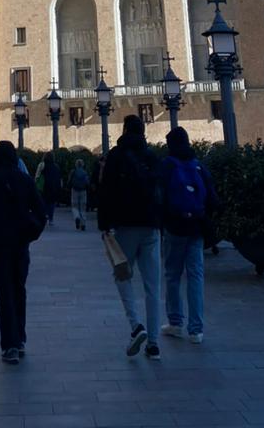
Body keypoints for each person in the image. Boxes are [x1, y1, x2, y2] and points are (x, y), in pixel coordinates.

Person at [0, 139, 46, 364]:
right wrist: (30, 235)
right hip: (20, 245)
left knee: (4, 294)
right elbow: (40, 212)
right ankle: (20, 338)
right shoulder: (24, 180)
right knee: (19, 290)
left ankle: (10, 345)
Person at [98, 114, 164, 361]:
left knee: (122, 275)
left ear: (125, 130)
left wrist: (104, 224)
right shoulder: (152, 156)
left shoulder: (116, 156)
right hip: (151, 226)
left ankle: (136, 325)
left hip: (125, 226)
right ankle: (154, 344)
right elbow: (161, 190)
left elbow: (106, 191)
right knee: (153, 286)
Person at [160, 127, 217, 345]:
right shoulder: (198, 165)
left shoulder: (167, 165)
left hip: (175, 227)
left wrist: (164, 220)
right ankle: (196, 330)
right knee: (196, 276)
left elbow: (159, 195)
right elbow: (212, 197)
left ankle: (175, 323)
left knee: (172, 275)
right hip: (196, 228)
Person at [40, 152, 62, 225]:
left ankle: (45, 214)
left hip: (45, 187)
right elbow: (59, 178)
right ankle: (51, 218)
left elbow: (40, 176)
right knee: (52, 203)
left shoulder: (43, 166)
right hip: (54, 187)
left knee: (44, 202)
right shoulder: (56, 167)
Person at [69, 158, 90, 231]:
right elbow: (87, 182)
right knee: (83, 207)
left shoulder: (73, 172)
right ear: (83, 165)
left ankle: (77, 217)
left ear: (76, 165)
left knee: (75, 206)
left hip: (74, 190)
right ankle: (83, 223)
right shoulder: (85, 172)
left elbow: (70, 181)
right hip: (83, 190)